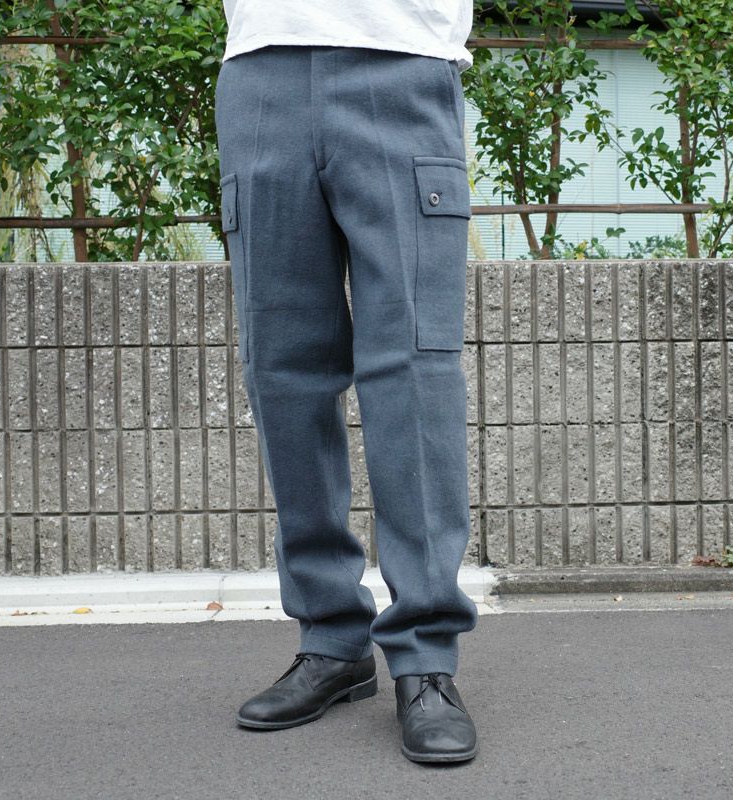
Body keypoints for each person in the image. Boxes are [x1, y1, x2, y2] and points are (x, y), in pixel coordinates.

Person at [215, 0, 479, 764]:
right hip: (261, 71)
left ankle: (425, 656)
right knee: (283, 369)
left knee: (414, 372)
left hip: (403, 60)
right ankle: (331, 638)